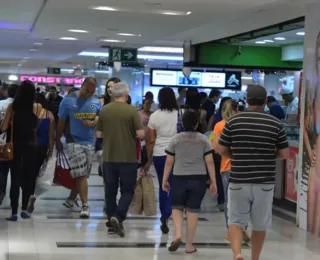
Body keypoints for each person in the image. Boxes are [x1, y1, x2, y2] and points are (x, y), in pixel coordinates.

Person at [216, 85, 289, 260]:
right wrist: (267, 157)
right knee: (260, 225)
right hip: (264, 182)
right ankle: (254, 258)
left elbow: (220, 149)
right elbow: (284, 154)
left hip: (238, 179)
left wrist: (235, 156)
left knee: (235, 220)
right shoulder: (275, 123)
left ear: (247, 101)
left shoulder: (233, 121)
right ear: (265, 102)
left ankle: (237, 253)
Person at [163, 109, 217, 254]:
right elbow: (210, 162)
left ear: (181, 123)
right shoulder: (203, 139)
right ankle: (189, 245)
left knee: (177, 207)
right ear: (197, 124)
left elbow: (169, 162)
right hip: (198, 179)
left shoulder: (176, 138)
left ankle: (178, 234)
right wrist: (213, 181)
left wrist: (164, 180)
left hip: (179, 177)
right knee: (193, 211)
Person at [96, 82, 144, 237]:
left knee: (109, 192)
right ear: (126, 94)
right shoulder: (132, 111)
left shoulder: (104, 110)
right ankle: (119, 216)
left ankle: (111, 222)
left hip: (109, 158)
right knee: (128, 190)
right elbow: (141, 134)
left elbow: (99, 135)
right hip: (128, 158)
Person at [56, 77, 101, 218]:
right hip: (73, 140)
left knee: (83, 174)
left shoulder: (95, 102)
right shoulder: (68, 101)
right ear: (82, 86)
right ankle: (85, 205)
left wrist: (93, 122)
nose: (88, 94)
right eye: (87, 90)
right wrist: (57, 140)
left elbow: (100, 120)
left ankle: (71, 199)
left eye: (91, 92)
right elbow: (61, 122)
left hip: (89, 142)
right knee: (81, 174)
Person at [1, 80, 42, 221]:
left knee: (15, 178)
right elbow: (36, 127)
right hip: (31, 146)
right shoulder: (37, 107)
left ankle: (13, 213)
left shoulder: (13, 107)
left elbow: (4, 128)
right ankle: (24, 209)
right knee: (27, 178)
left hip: (15, 146)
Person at [211, 99, 250, 243]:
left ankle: (231, 231)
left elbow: (216, 148)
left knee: (229, 201)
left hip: (227, 167)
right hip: (244, 167)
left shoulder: (219, 126)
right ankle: (243, 227)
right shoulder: (243, 124)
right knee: (244, 200)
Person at [145, 87, 179, 234]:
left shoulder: (154, 116)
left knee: (162, 184)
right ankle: (167, 213)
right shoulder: (179, 114)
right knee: (174, 184)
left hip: (159, 153)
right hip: (177, 154)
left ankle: (163, 215)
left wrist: (149, 158)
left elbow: (151, 140)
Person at [27, 94, 55, 213]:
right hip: (42, 148)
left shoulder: (28, 112)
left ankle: (28, 195)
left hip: (28, 147)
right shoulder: (49, 115)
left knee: (28, 173)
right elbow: (51, 138)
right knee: (37, 172)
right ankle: (32, 194)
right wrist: (50, 152)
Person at [0, 84, 19, 205]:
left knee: (2, 169)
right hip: (17, 143)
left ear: (7, 92)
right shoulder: (22, 107)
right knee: (16, 172)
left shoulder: (1, 104)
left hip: (2, 142)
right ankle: (14, 201)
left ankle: (1, 191)